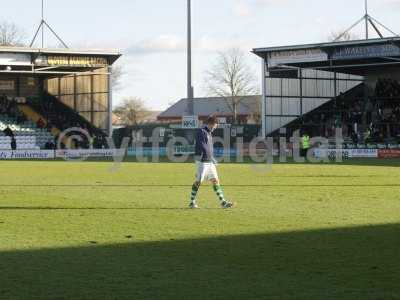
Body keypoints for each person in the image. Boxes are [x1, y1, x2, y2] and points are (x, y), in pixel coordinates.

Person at [188, 116, 234, 209]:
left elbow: (209, 148)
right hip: (202, 161)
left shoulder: (209, 133)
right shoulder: (202, 132)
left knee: (215, 180)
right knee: (198, 182)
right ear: (210, 124)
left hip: (209, 162)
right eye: (215, 125)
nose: (215, 127)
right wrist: (206, 157)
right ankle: (192, 202)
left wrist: (212, 158)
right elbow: (202, 146)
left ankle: (223, 202)